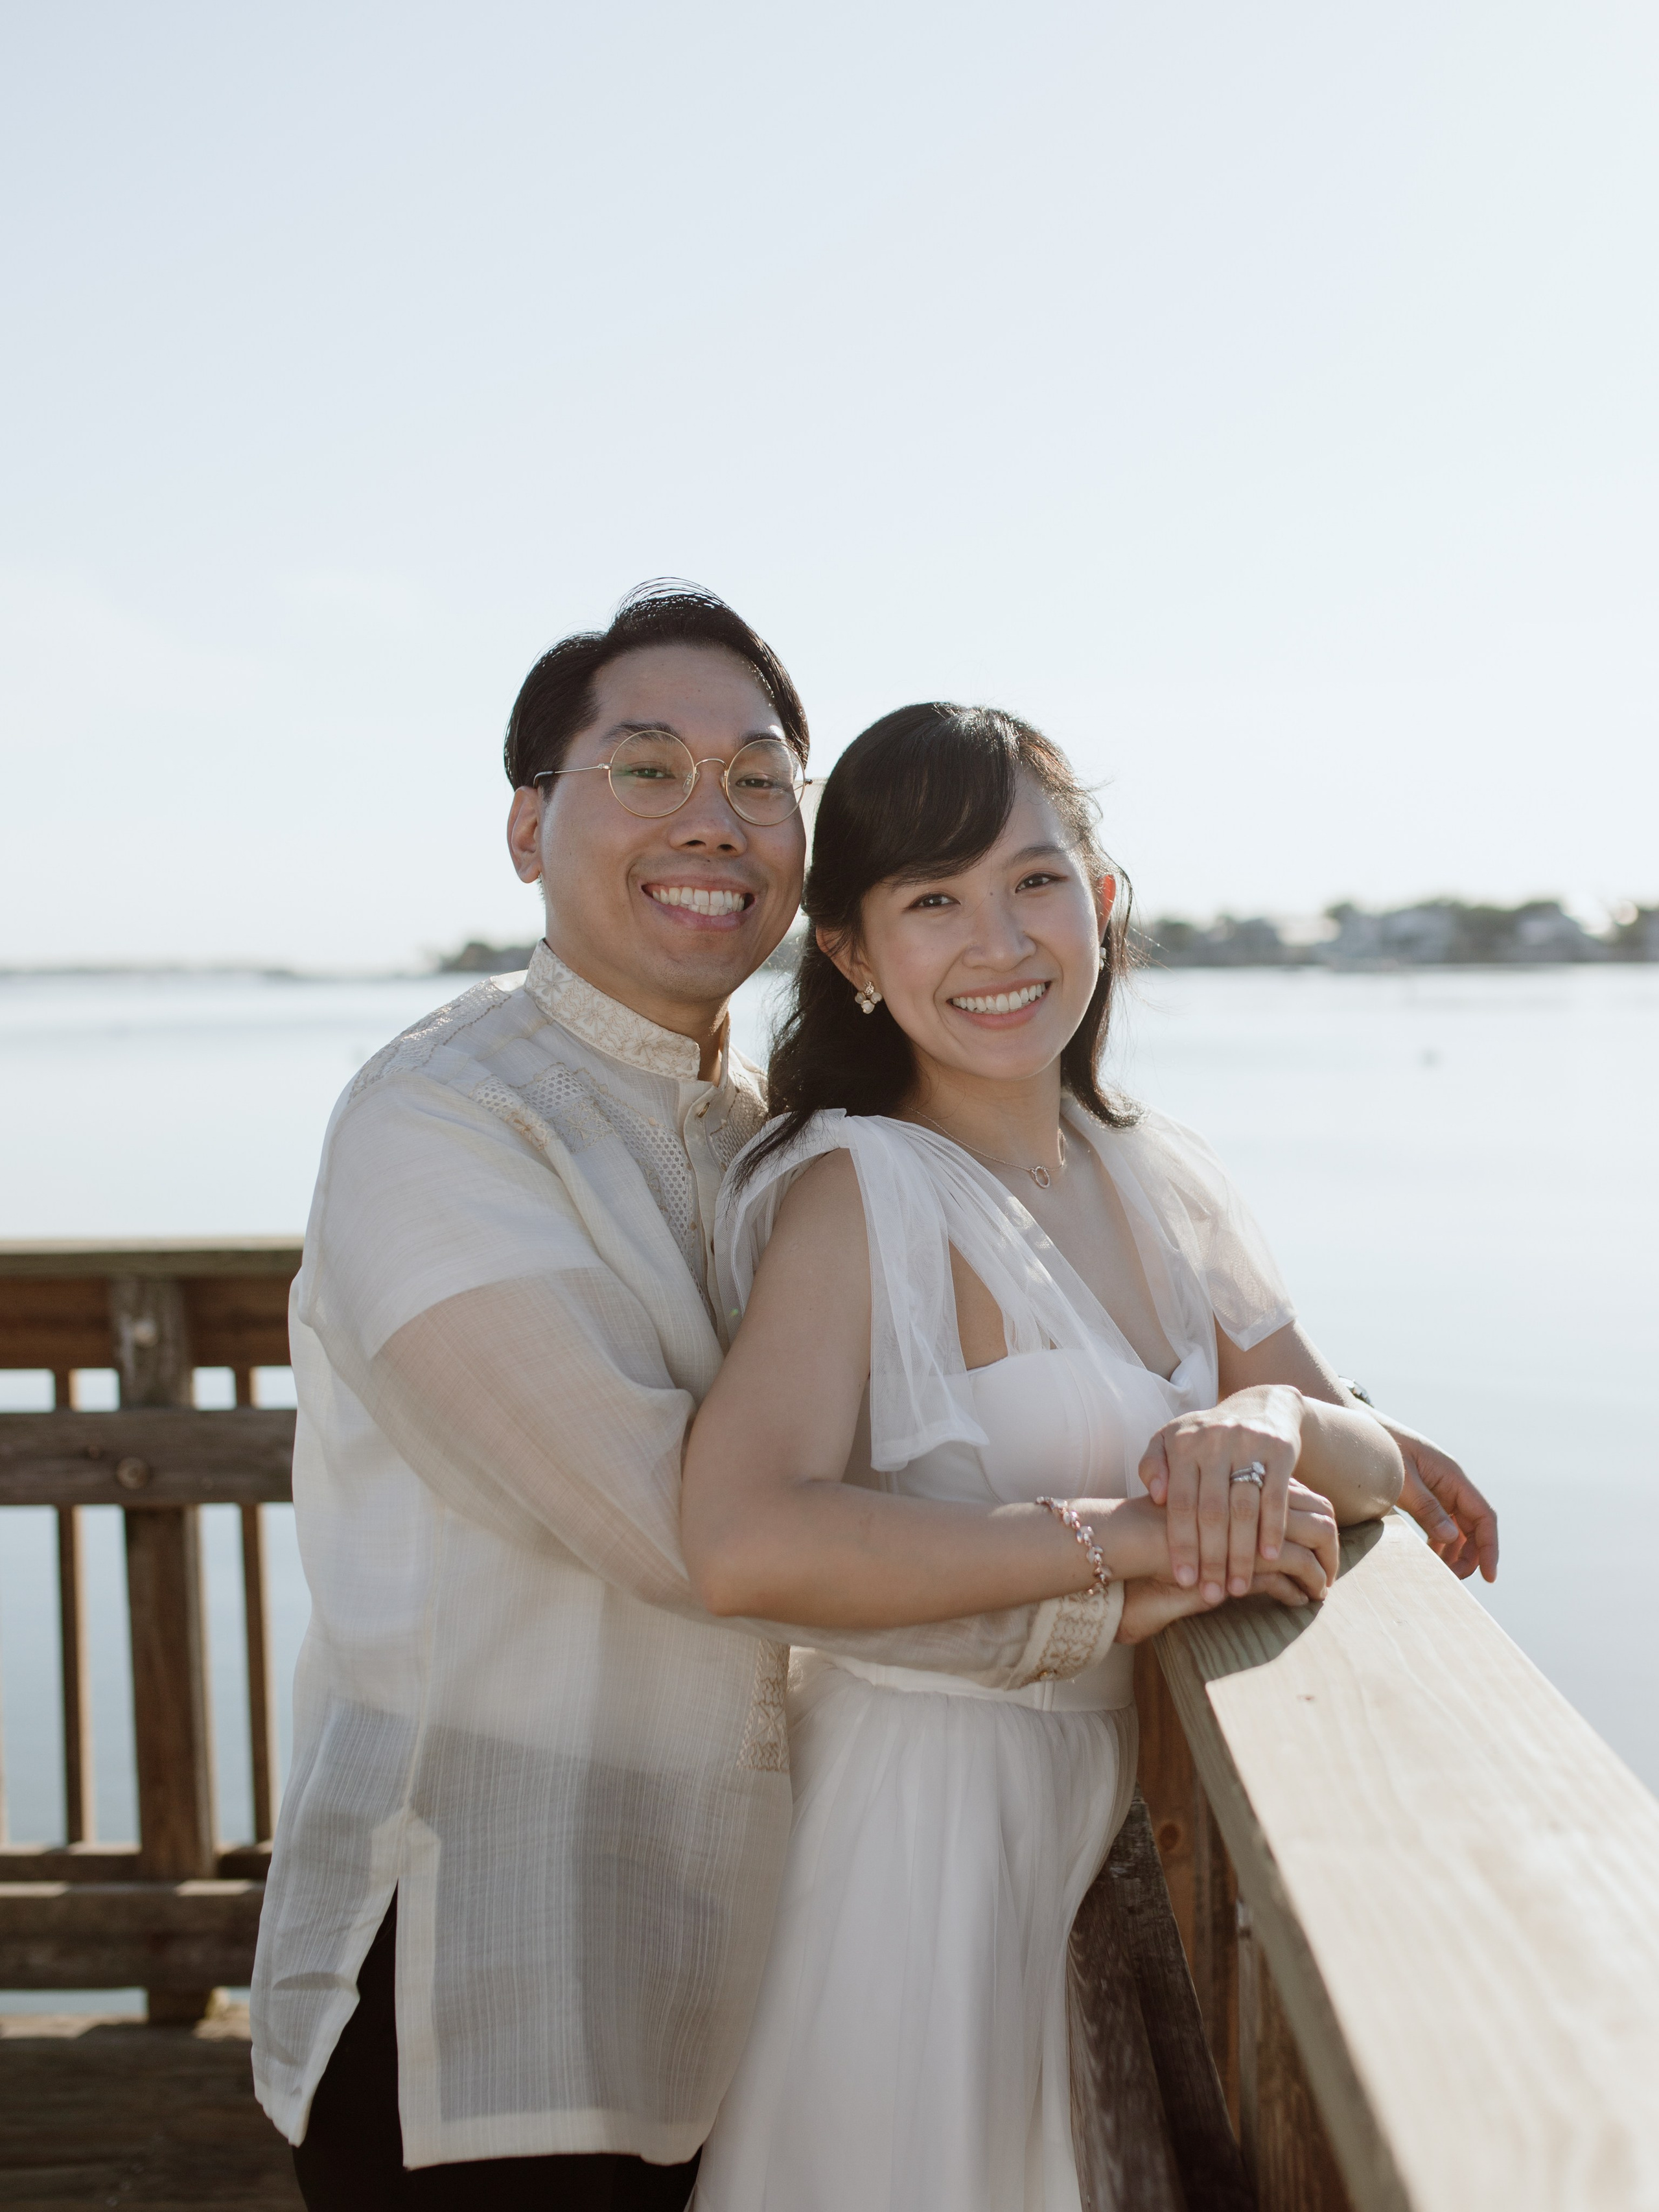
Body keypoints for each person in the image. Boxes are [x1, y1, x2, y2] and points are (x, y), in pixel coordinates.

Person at [250, 581, 1495, 2209]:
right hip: (497, 1953)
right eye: (644, 768)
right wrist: (1141, 1557)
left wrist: (1281, 1439)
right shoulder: (444, 1127)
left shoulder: (763, 1126)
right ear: (524, 823)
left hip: (756, 1919)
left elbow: (1258, 1405)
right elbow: (700, 1543)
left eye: (757, 777)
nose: (711, 817)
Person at [679, 703, 1407, 2211]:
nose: (997, 942)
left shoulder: (1146, 1171)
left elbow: (1371, 1460)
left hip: (1098, 1814)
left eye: (1030, 881)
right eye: (930, 902)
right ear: (852, 958)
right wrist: (1131, 1539)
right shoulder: (860, 1189)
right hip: (919, 1839)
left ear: (1102, 899)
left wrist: (1261, 1424)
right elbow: (743, 1538)